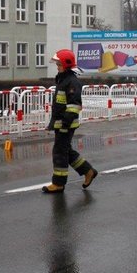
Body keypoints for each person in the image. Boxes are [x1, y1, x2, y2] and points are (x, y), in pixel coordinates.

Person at [42, 49, 99, 193]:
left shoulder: (72, 82)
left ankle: (58, 183)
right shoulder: (64, 79)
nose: (57, 66)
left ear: (66, 65)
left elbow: (74, 106)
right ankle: (88, 171)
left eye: (59, 64)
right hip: (61, 122)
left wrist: (64, 124)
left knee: (60, 152)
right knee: (65, 150)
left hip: (65, 124)